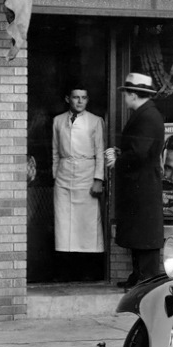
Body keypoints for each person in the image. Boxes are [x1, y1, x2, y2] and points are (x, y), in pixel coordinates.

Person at [105, 72, 164, 290]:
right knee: (138, 233)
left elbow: (139, 153)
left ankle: (146, 280)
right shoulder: (145, 114)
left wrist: (118, 160)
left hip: (143, 186)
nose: (124, 98)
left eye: (126, 94)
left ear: (133, 94)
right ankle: (138, 276)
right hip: (140, 185)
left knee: (144, 233)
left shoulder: (147, 116)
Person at [51, 86, 106, 280]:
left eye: (83, 97)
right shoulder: (58, 121)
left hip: (86, 176)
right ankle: (66, 272)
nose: (80, 101)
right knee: (64, 225)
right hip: (64, 177)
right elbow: (55, 151)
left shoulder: (95, 121)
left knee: (87, 226)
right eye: (75, 97)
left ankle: (88, 272)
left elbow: (100, 153)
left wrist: (98, 180)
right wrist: (56, 176)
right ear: (68, 99)